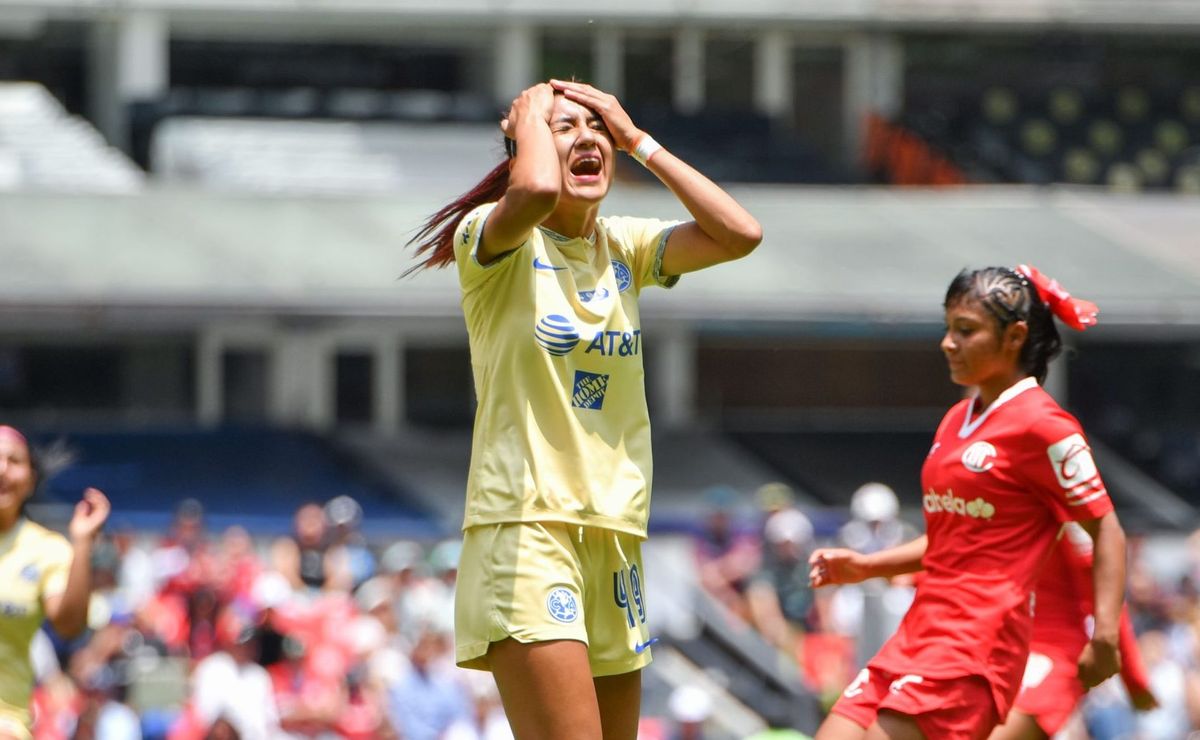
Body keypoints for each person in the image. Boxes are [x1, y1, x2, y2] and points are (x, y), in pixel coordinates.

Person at [407, 77, 762, 740]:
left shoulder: (623, 246)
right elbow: (537, 191)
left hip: (615, 536)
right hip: (527, 529)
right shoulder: (490, 239)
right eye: (565, 127)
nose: (587, 138)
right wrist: (529, 123)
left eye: (596, 128)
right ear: (527, 144)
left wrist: (640, 142)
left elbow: (740, 233)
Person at [808, 266, 1126, 740]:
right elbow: (949, 538)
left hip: (975, 647)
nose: (947, 343)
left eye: (966, 330)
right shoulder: (957, 418)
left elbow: (1107, 530)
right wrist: (866, 567)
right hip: (918, 632)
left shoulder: (1045, 426)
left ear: (1015, 336)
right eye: (947, 328)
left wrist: (1104, 635)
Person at [989, 522, 1156, 740]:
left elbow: (1104, 596)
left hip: (1050, 654)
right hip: (987, 644)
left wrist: (1135, 683)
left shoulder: (1069, 504)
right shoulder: (984, 499)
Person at [0, 425, 111, 740]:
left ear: (31, 479)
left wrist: (83, 543)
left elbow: (69, 625)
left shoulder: (47, 550)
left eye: (14, 460)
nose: (2, 469)